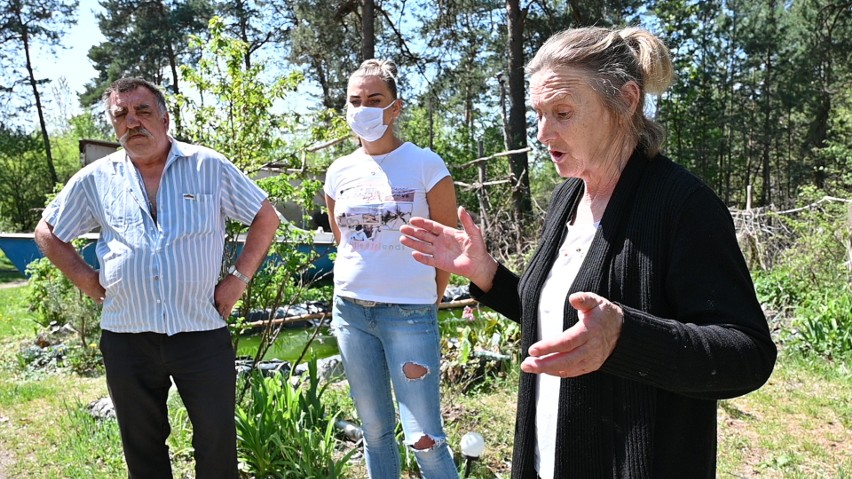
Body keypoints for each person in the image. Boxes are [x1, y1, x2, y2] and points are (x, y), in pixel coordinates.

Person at [399, 27, 777, 478]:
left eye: (562, 112)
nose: (542, 132)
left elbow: (747, 355)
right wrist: (488, 275)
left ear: (626, 101)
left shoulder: (683, 206)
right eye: (538, 113)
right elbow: (567, 321)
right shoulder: (568, 197)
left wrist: (626, 338)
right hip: (548, 458)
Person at [34, 77, 280, 478]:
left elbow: (264, 217)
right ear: (114, 125)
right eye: (121, 115)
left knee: (216, 442)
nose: (132, 122)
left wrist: (238, 278)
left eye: (143, 111)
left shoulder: (208, 166)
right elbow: (48, 232)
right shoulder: (97, 178)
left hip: (200, 329)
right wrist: (87, 280)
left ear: (165, 118)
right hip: (127, 335)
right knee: (142, 446)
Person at [324, 59, 459, 478]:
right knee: (375, 432)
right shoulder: (339, 170)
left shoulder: (425, 165)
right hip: (350, 312)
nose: (363, 108)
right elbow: (341, 237)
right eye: (355, 100)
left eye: (374, 100)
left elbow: (446, 244)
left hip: (409, 315)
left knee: (425, 439)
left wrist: (426, 299)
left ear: (395, 107)